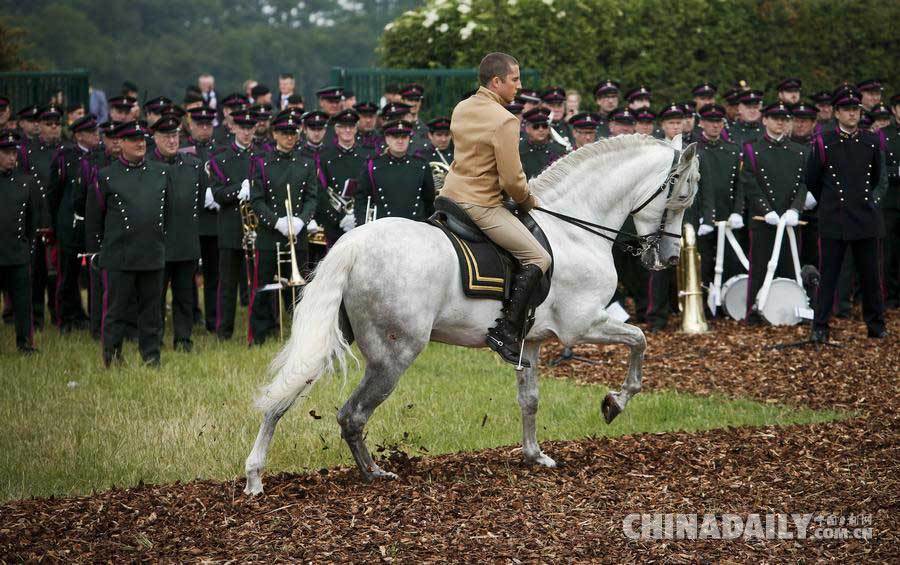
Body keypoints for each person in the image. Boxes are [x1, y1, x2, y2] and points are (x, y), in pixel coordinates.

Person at [440, 52, 551, 366]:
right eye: (514, 79)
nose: (519, 85)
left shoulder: (462, 108)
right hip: (481, 204)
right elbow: (513, 181)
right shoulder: (504, 120)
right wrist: (530, 201)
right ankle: (506, 331)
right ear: (496, 81)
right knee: (538, 256)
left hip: (450, 197)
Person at [806, 91, 888, 341]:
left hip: (864, 217)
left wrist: (870, 203)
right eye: (847, 109)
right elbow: (812, 179)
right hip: (834, 217)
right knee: (829, 275)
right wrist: (830, 203)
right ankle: (820, 327)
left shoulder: (872, 141)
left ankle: (876, 325)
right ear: (836, 112)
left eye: (856, 109)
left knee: (871, 276)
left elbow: (877, 178)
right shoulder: (823, 141)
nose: (853, 113)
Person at [93, 121, 171, 367]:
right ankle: (112, 356)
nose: (140, 144)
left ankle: (151, 356)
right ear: (120, 143)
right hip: (120, 254)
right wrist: (99, 251)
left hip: (152, 251)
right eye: (133, 140)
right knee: (116, 310)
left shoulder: (160, 172)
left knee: (152, 310)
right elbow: (96, 217)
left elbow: (165, 212)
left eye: (143, 140)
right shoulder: (107, 176)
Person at [248, 114, 318, 345]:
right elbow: (257, 200)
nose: (290, 137)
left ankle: (301, 331)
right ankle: (260, 333)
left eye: (293, 133)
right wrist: (276, 221)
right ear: (275, 134)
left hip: (297, 235)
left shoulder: (307, 163)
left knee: (299, 289)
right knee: (265, 285)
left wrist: (301, 221)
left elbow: (312, 198)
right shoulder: (261, 162)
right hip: (270, 234)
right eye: (285, 133)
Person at [740, 102, 808, 324]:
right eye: (775, 117)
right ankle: (754, 312)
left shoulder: (800, 151)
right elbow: (750, 183)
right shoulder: (752, 149)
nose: (780, 122)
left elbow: (803, 185)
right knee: (760, 266)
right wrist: (766, 210)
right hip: (763, 219)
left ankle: (791, 312)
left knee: (790, 265)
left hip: (790, 220)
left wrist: (795, 209)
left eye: (784, 118)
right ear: (765, 120)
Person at [150, 115, 204, 351]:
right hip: (157, 242)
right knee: (155, 296)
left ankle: (183, 338)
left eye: (175, 135)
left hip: (185, 240)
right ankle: (154, 338)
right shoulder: (148, 165)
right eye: (166, 136)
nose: (172, 141)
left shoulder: (193, 164)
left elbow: (200, 200)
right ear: (155, 138)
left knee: (184, 295)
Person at [209, 110, 259, 341]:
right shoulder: (220, 159)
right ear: (233, 128)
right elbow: (218, 194)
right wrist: (239, 190)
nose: (247, 132)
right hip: (230, 228)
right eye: (242, 127)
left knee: (257, 281)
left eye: (250, 128)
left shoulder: (263, 156)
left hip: (257, 228)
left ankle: (258, 328)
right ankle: (224, 331)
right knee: (227, 284)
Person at [48, 114, 100, 333]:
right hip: (69, 224)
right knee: (67, 274)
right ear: (79, 135)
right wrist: (55, 223)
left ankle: (90, 316)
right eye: (92, 132)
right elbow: (54, 192)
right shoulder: (65, 157)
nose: (97, 136)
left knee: (93, 275)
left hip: (92, 226)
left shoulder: (100, 156)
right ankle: (66, 317)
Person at [694, 103, 744, 298]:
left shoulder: (732, 150)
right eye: (710, 122)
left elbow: (740, 185)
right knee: (704, 262)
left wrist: (738, 211)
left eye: (719, 122)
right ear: (701, 123)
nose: (715, 126)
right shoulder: (694, 150)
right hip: (702, 217)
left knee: (729, 261)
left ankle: (726, 302)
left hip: (727, 215)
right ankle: (704, 303)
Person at [645, 104, 686, 330]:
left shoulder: (690, 149)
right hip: (659, 217)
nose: (675, 126)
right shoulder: (655, 149)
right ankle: (657, 318)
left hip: (683, 217)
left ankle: (682, 312)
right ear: (663, 126)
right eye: (671, 123)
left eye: (679, 122)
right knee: (658, 269)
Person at [0, 132, 39, 354]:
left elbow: (32, 220)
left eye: (14, 153)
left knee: (23, 303)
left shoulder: (26, 182)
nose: (11, 158)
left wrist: (27, 246)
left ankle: (25, 343)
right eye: (6, 153)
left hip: (17, 252)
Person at [354, 119, 435, 225]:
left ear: (409, 139)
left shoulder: (421, 165)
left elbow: (429, 201)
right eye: (395, 137)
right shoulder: (372, 165)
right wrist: (362, 225)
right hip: (383, 227)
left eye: (404, 137)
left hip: (416, 227)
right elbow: (361, 200)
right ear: (387, 139)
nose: (400, 141)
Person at [316, 109, 370, 245]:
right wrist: (337, 218)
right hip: (334, 224)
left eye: (351, 126)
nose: (347, 130)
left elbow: (369, 191)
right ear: (336, 129)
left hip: (361, 223)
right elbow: (320, 192)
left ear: (356, 129)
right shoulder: (325, 157)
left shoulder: (366, 156)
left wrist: (358, 217)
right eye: (343, 126)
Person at [882, 93, 900, 309]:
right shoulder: (882, 136)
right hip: (889, 202)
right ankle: (889, 295)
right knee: (887, 252)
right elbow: (877, 168)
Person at [519, 107, 567, 180]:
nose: (541, 129)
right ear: (527, 129)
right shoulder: (518, 150)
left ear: (549, 128)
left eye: (544, 126)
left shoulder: (559, 150)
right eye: (536, 127)